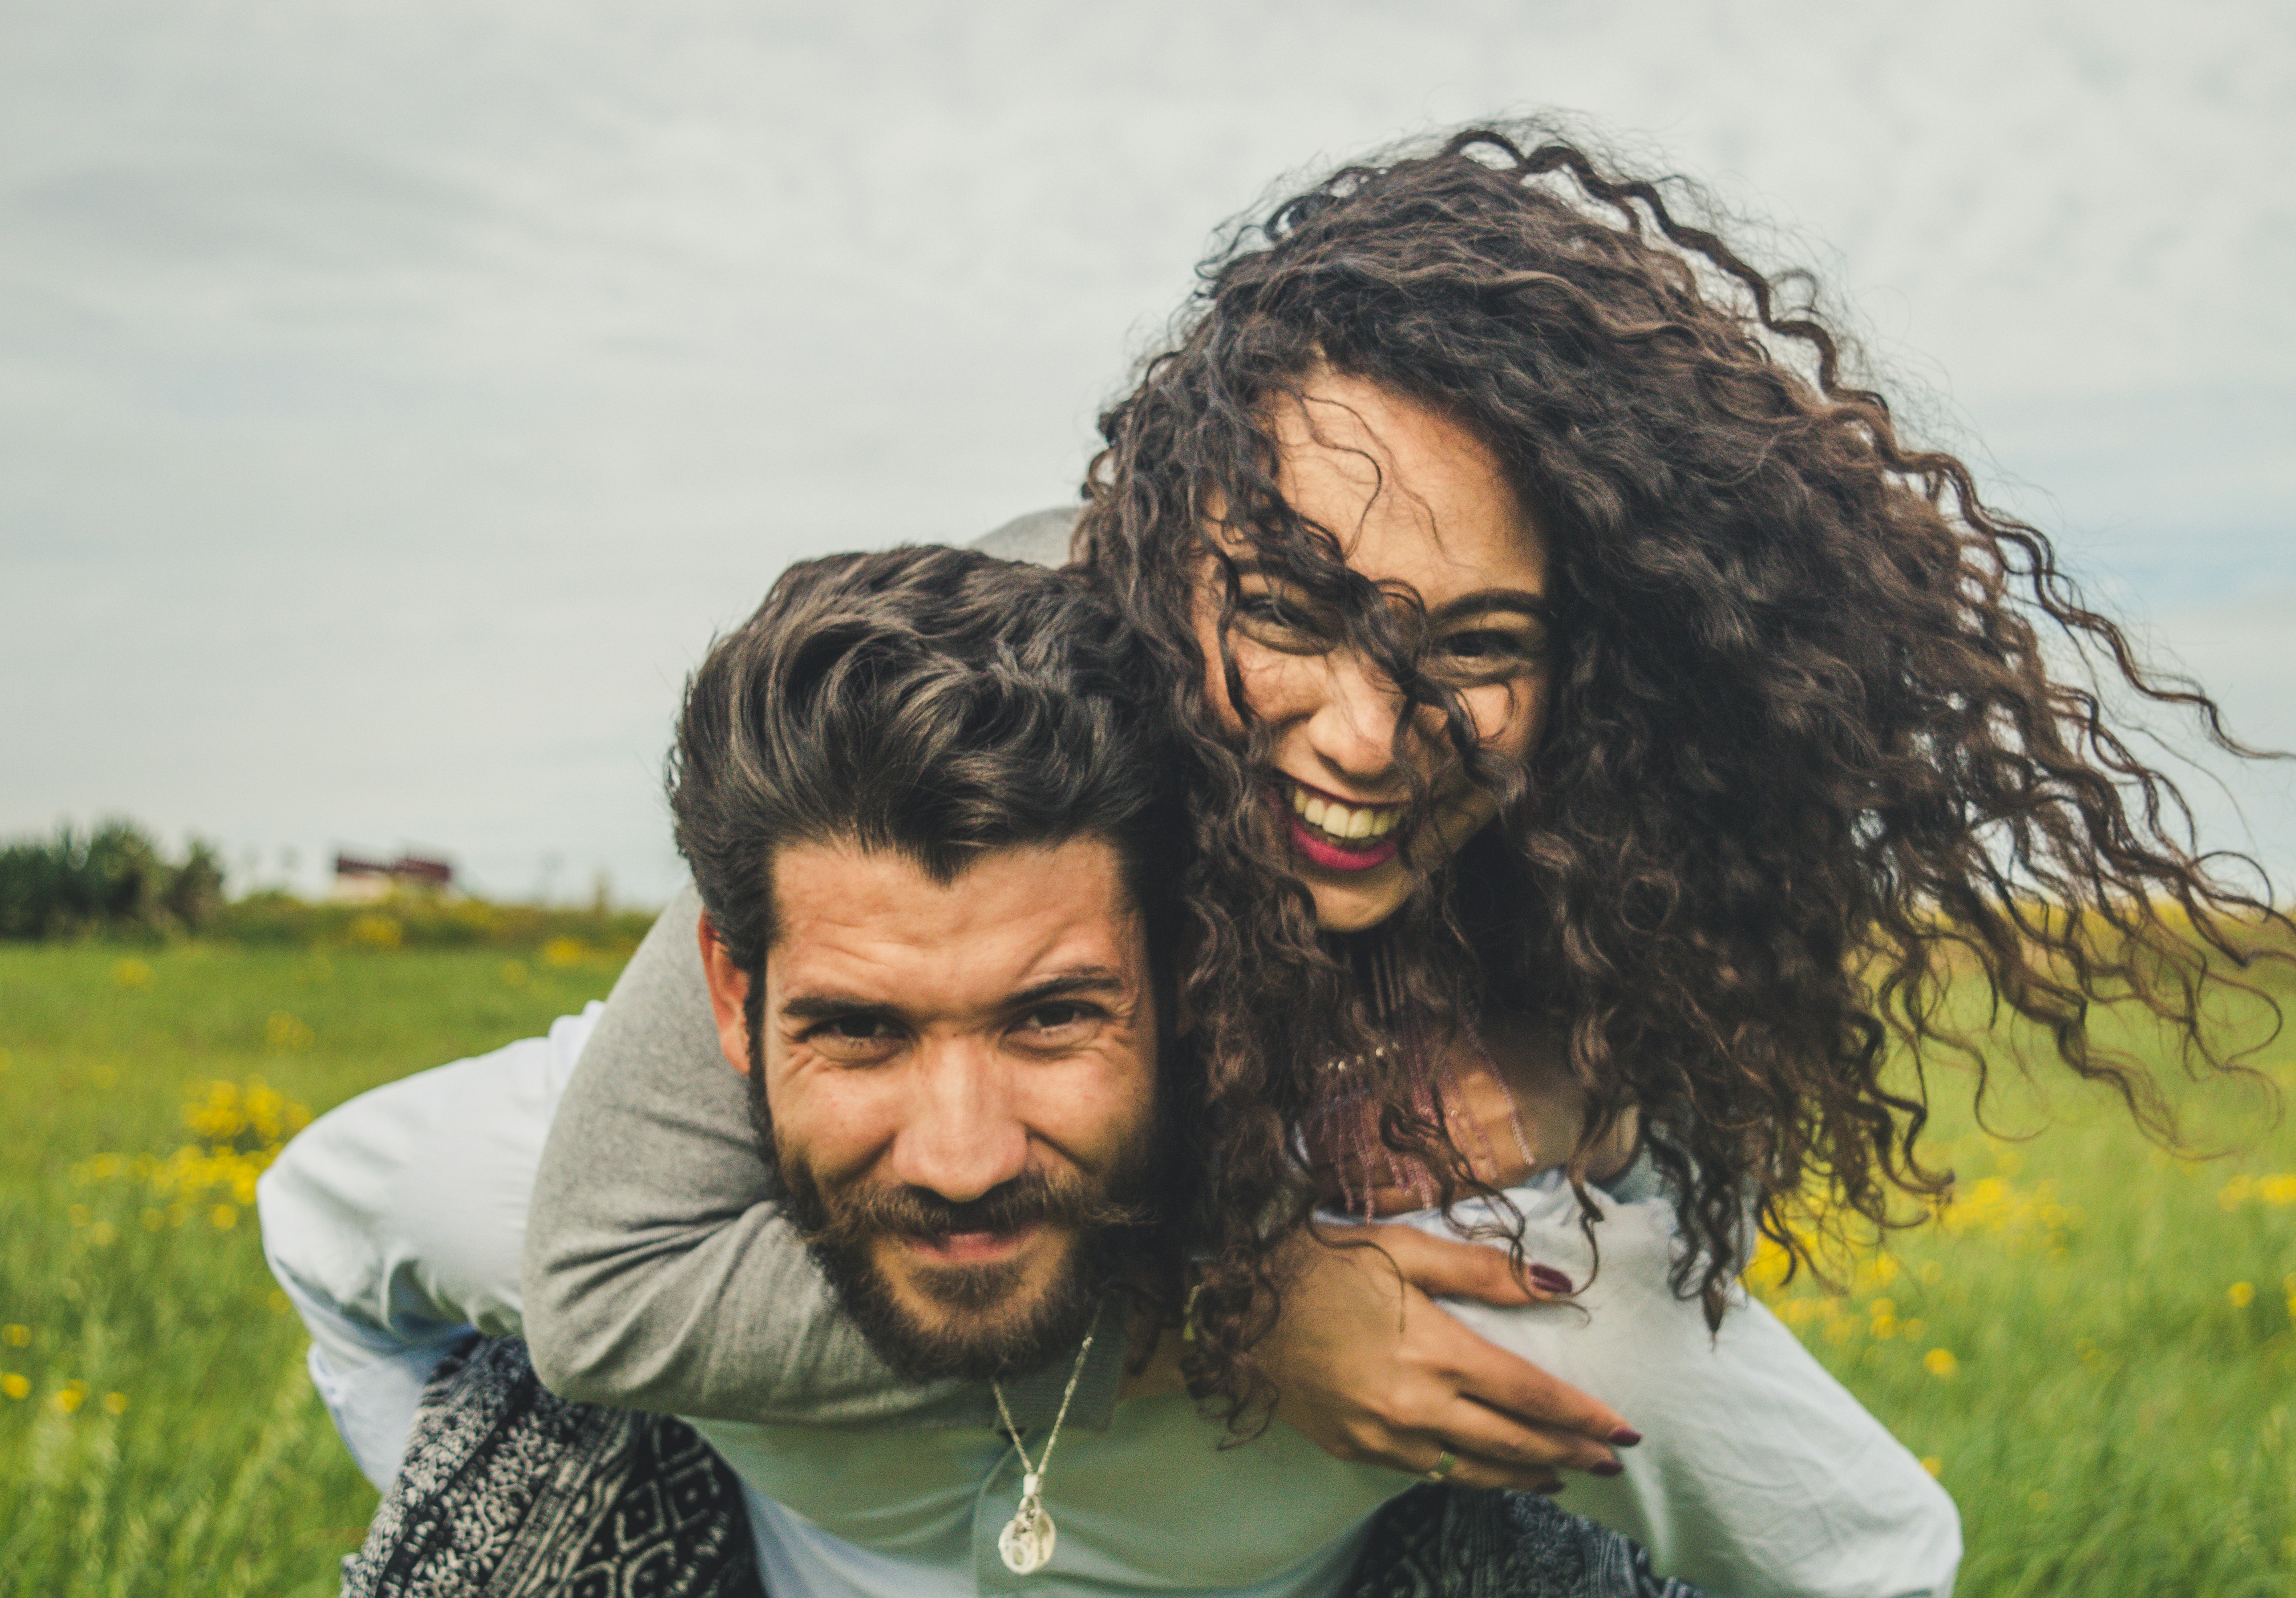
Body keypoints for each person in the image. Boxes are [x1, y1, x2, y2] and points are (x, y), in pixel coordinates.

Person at [517, 123, 2296, 1590]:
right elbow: (603, 1280)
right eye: (1294, 609)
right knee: (413, 1204)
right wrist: (1233, 1309)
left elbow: (1653, 1284)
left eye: (1474, 646)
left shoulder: (1598, 852)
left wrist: (1559, 1109)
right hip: (881, 1411)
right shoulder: (994, 718)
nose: (1366, 739)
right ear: (1161, 551)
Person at [265, 545, 1704, 1598]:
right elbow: (341, 1239)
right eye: (861, 1029)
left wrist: (1608, 1100)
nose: (960, 1153)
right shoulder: (536, 1173)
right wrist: (1232, 1323)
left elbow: (1856, 1540)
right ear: (732, 996)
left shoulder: (1481, 1273)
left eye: (1052, 1017)